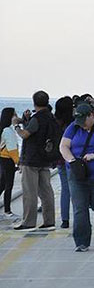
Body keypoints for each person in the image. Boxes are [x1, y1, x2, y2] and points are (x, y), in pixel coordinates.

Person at [59, 103, 94, 252]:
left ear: (92, 115)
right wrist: (72, 160)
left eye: (84, 121)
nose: (82, 125)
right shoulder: (74, 127)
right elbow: (63, 146)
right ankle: (82, 241)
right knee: (79, 208)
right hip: (78, 175)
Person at [13, 91, 57, 232]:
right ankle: (49, 221)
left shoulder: (37, 118)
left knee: (30, 192)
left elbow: (26, 135)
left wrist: (16, 126)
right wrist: (27, 120)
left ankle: (28, 222)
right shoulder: (51, 117)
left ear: (34, 102)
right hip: (46, 158)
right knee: (46, 191)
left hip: (31, 160)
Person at [54, 97, 74, 228]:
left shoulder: (55, 122)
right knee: (78, 189)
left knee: (65, 190)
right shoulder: (74, 123)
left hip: (60, 159)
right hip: (74, 159)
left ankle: (65, 220)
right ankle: (80, 217)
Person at [0, 108, 20, 219]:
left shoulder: (3, 129)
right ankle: (7, 211)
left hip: (3, 159)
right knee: (9, 185)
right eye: (15, 115)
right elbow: (12, 150)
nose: (16, 117)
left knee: (2, 184)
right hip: (8, 160)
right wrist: (18, 162)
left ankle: (7, 210)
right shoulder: (8, 130)